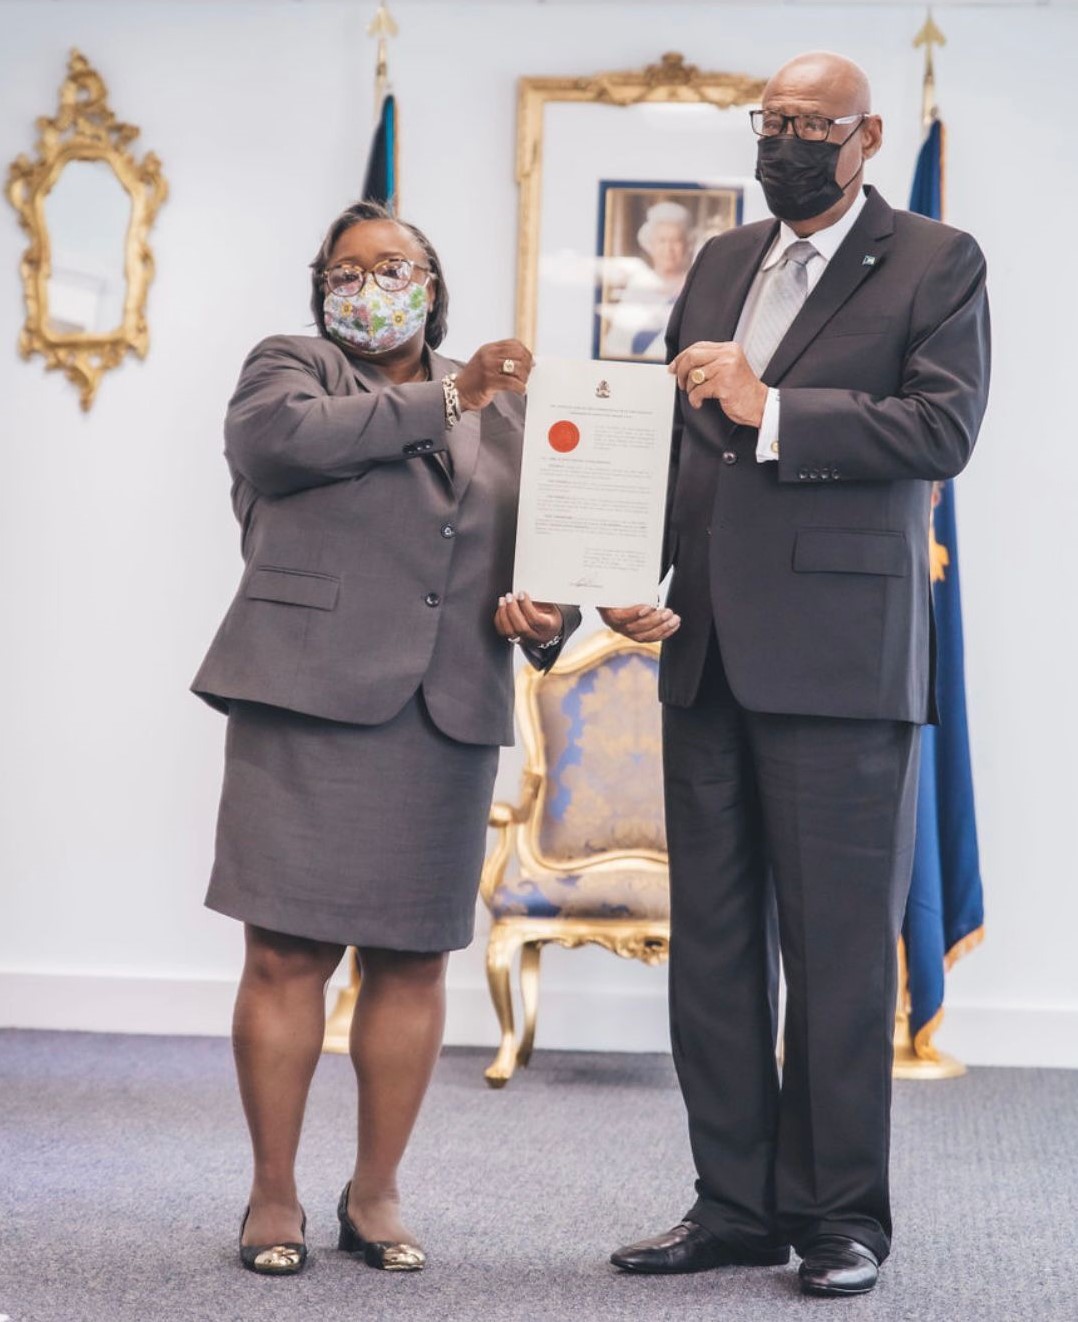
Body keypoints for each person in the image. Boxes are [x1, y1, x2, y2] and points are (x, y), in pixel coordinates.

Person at [601, 51, 989, 1298]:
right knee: (712, 946)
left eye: (807, 126)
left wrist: (773, 403)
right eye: (766, 122)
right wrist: (623, 566)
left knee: (832, 952)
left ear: (865, 137)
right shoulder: (721, 260)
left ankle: (838, 1218)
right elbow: (679, 441)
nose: (781, 143)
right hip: (704, 647)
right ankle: (731, 1204)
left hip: (838, 657)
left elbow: (941, 428)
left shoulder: (937, 258)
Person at [191, 201, 579, 1276]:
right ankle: (273, 1192)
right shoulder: (291, 369)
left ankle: (376, 1189)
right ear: (320, 286)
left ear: (433, 282)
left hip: (443, 706)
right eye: (347, 270)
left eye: (393, 266)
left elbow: (543, 553)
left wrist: (547, 617)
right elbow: (280, 449)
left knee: (411, 957)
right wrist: (450, 391)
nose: (369, 285)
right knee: (286, 952)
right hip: (305, 699)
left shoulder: (505, 409)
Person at [602, 201, 694, 360]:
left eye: (676, 241)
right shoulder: (637, 284)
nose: (668, 249)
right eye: (662, 241)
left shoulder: (694, 287)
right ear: (650, 244)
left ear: (686, 245)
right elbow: (614, 344)